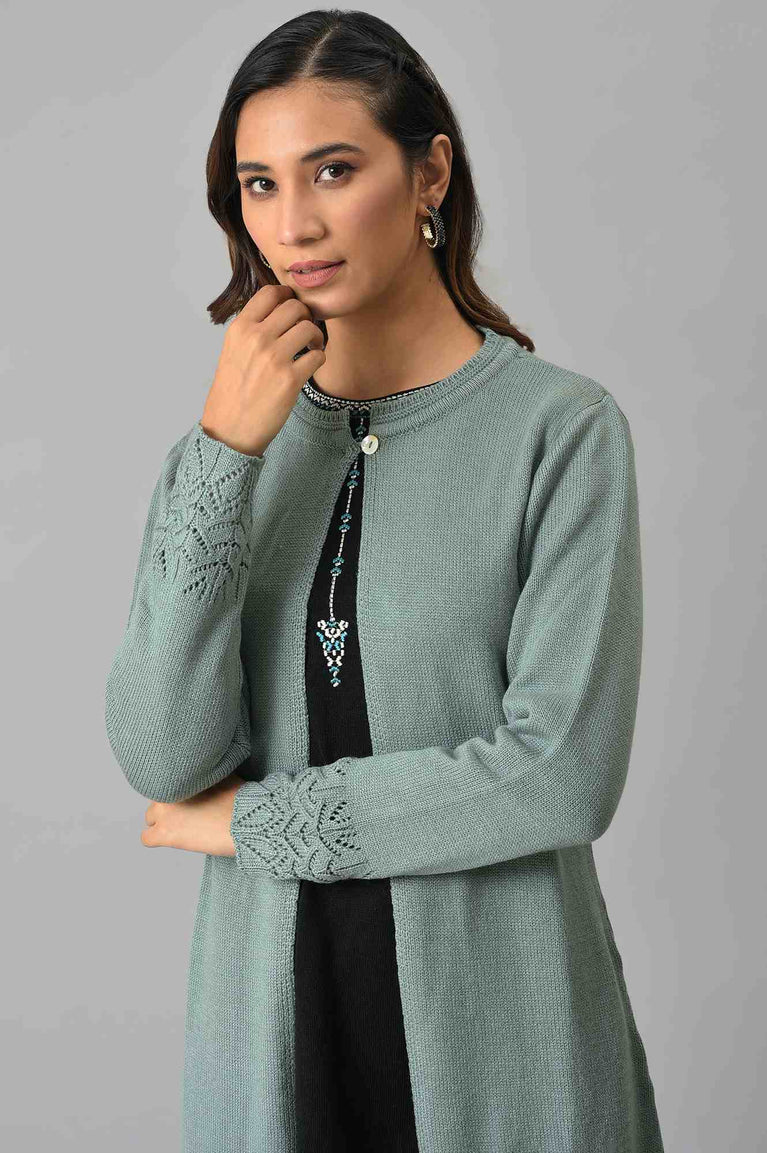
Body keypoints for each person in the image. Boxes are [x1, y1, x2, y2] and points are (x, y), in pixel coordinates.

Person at [105, 9, 665, 1153]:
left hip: (498, 1036)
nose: (292, 224)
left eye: (333, 170)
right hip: (274, 1046)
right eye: (258, 185)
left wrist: (256, 823)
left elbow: (559, 772)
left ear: (429, 175)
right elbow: (163, 757)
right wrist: (224, 455)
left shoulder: (557, 434)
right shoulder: (224, 455)